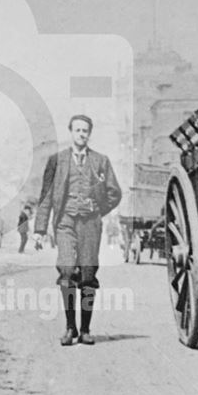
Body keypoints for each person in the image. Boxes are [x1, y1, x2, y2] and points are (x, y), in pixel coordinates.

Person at [33, 115, 121, 346]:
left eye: (85, 131)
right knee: (67, 270)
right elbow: (45, 196)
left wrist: (98, 209)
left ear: (89, 134)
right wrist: (40, 229)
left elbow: (115, 193)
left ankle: (85, 329)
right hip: (65, 222)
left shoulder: (101, 161)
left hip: (90, 223)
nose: (82, 134)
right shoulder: (57, 161)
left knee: (88, 275)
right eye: (78, 130)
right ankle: (70, 327)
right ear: (70, 132)